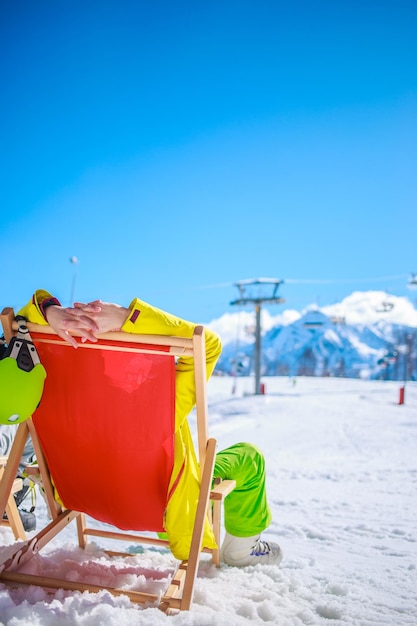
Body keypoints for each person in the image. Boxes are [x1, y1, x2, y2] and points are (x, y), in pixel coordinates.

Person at [16, 290, 282, 567]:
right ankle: (242, 549)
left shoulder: (56, 396)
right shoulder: (155, 406)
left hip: (79, 490)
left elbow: (18, 323)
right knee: (249, 456)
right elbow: (208, 344)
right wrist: (127, 317)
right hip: (162, 506)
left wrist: (50, 312)